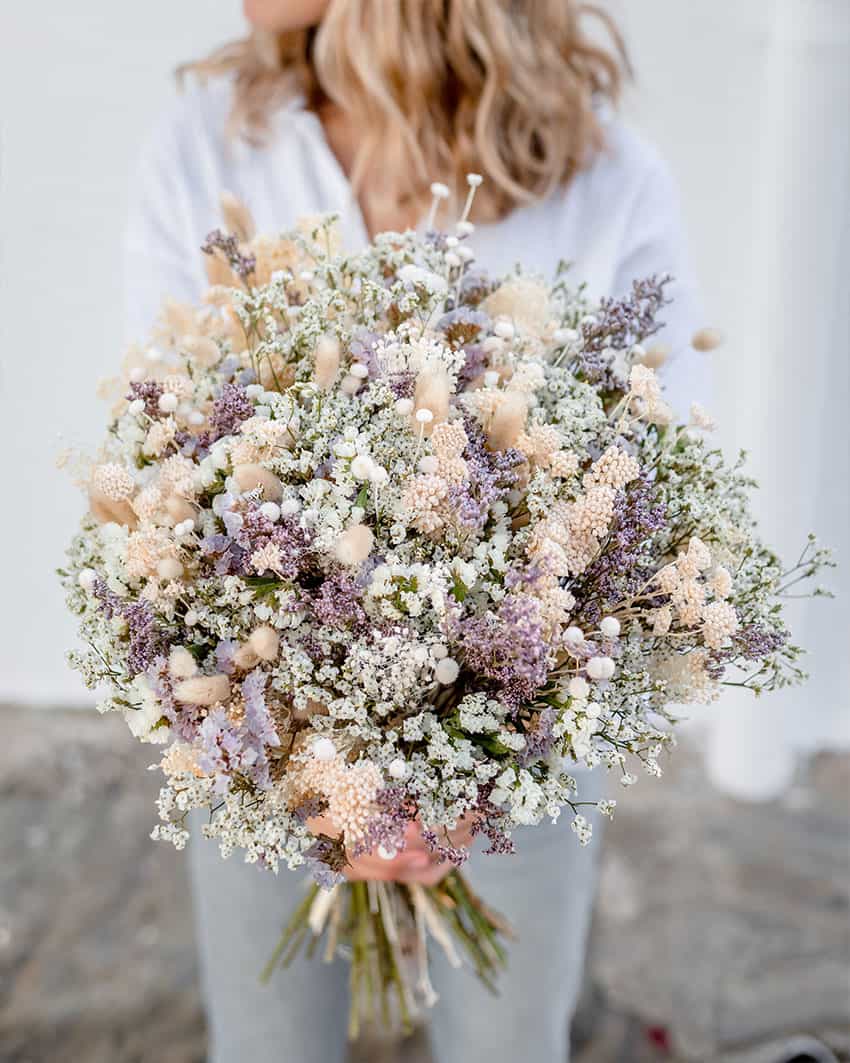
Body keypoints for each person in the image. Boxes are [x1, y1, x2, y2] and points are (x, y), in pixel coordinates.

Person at [124, 3, 710, 1060]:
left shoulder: (609, 177)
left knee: (507, 1044)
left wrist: (464, 770)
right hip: (255, 732)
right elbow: (162, 453)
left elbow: (661, 495)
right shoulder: (215, 141)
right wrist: (321, 757)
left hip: (521, 740)